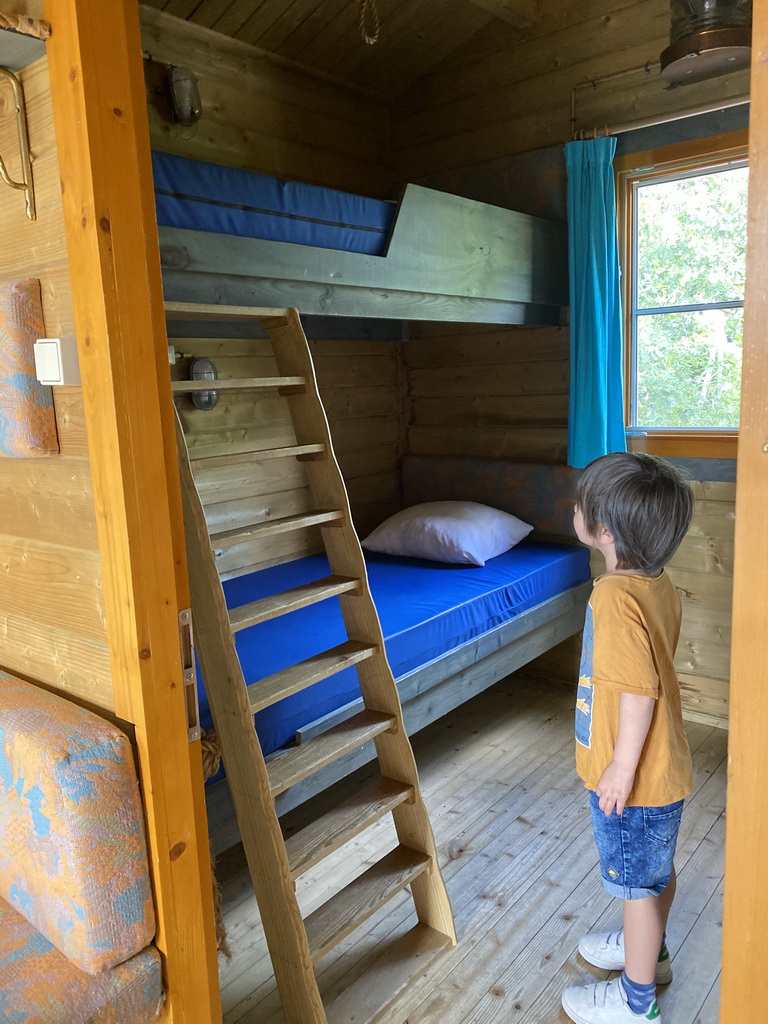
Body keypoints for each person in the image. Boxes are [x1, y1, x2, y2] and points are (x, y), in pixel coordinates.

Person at [561, 451, 695, 1024]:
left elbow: (638, 692)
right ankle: (651, 953)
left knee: (636, 889)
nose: (574, 510)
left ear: (604, 530)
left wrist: (618, 767)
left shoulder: (613, 598)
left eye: (580, 506)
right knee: (654, 874)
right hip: (665, 769)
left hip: (635, 783)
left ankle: (635, 1001)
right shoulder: (653, 582)